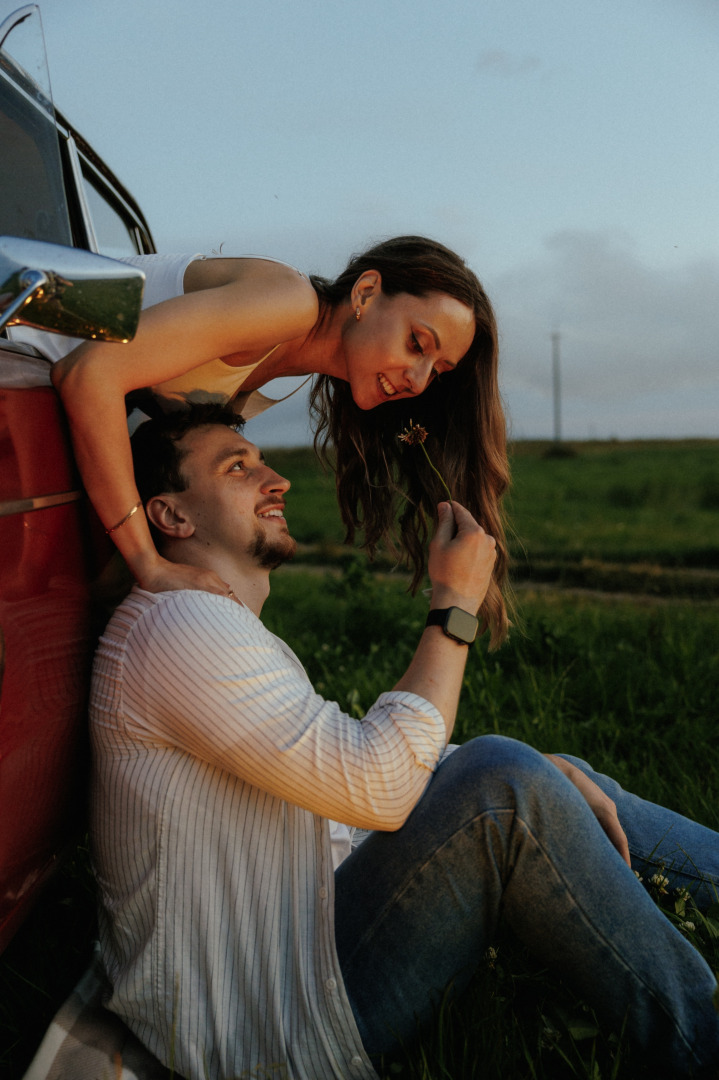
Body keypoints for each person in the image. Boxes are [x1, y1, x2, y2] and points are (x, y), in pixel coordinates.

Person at [85, 403, 719, 1080]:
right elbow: (379, 790)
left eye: (262, 461)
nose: (277, 480)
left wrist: (543, 770)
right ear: (172, 516)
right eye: (237, 468)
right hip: (261, 1026)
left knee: (551, 772)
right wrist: (454, 605)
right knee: (504, 783)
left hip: (298, 946)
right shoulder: (181, 628)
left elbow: (341, 790)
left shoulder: (204, 622)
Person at [10, 236, 510, 643]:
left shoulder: (284, 371)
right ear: (365, 293)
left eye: (437, 371)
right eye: (417, 343)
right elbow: (89, 374)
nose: (418, 382)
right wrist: (148, 564)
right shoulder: (287, 302)